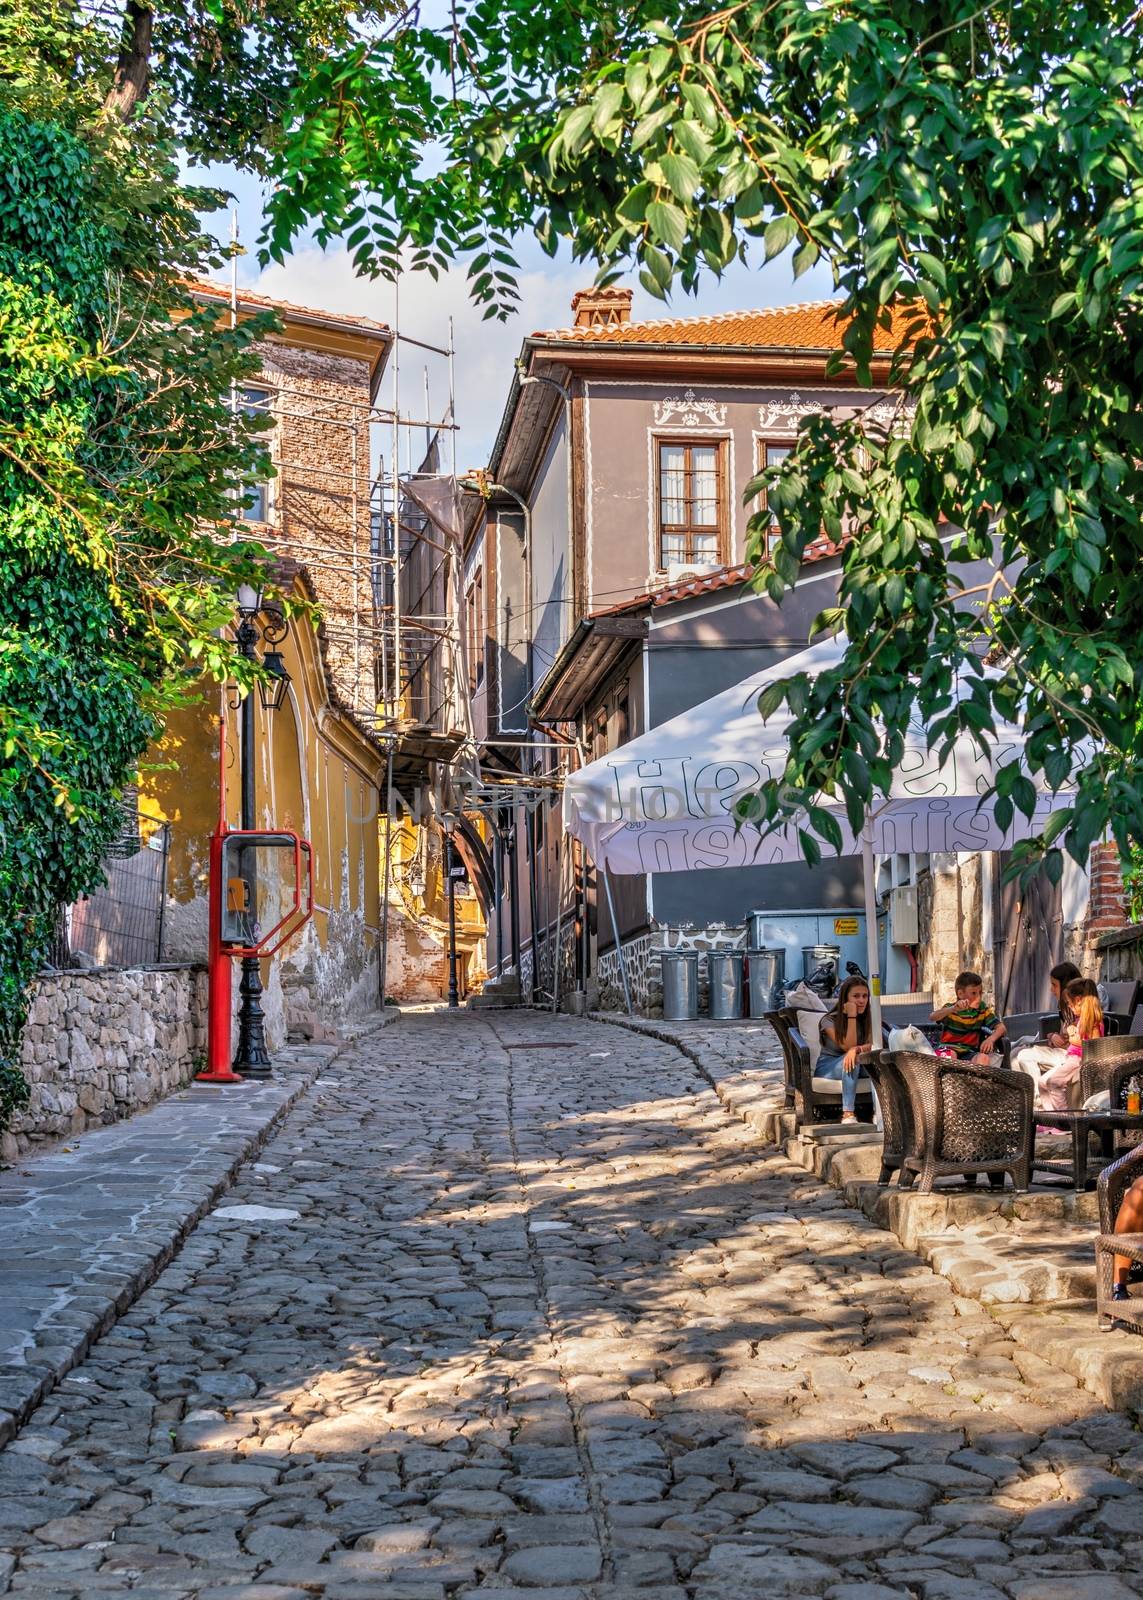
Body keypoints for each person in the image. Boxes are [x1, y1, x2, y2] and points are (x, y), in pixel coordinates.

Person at [1012, 960, 1083, 1105]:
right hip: (1061, 1052)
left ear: (1066, 985)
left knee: (1024, 1055)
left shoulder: (1080, 1008)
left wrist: (1065, 1038)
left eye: (1054, 985)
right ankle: (1027, 1103)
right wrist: (1052, 1036)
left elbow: (1077, 1040)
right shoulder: (1065, 1007)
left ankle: (1037, 1102)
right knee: (1015, 1056)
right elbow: (1062, 1036)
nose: (1051, 990)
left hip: (1071, 1056)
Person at [1037, 977, 1104, 1112]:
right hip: (1070, 1059)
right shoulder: (1079, 1019)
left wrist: (1074, 1038)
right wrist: (1070, 1032)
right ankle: (1051, 1117)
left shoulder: (1093, 1021)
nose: (1068, 1006)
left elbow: (1094, 1045)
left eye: (1069, 1003)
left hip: (1079, 1060)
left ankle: (1063, 1119)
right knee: (1042, 1082)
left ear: (1078, 1000)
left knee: (1054, 1082)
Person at [815, 976, 872, 1124]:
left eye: (865, 996)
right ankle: (848, 1113)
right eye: (856, 996)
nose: (861, 1000)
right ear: (845, 999)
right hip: (828, 1068)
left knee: (878, 1060)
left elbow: (874, 1045)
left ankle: (880, 1111)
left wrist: (857, 1049)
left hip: (856, 1063)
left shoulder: (867, 1019)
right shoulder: (828, 1020)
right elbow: (848, 1046)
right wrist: (851, 1016)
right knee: (853, 1058)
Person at [931, 971, 1006, 1064]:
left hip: (970, 1053)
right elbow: (933, 1017)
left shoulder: (982, 1010)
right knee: (950, 1056)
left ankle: (974, 1078)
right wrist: (952, 1009)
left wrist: (990, 1039)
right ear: (960, 994)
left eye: (980, 993)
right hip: (948, 1049)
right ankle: (952, 1077)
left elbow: (1001, 1028)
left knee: (983, 1058)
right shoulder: (951, 1008)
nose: (978, 998)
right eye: (974, 993)